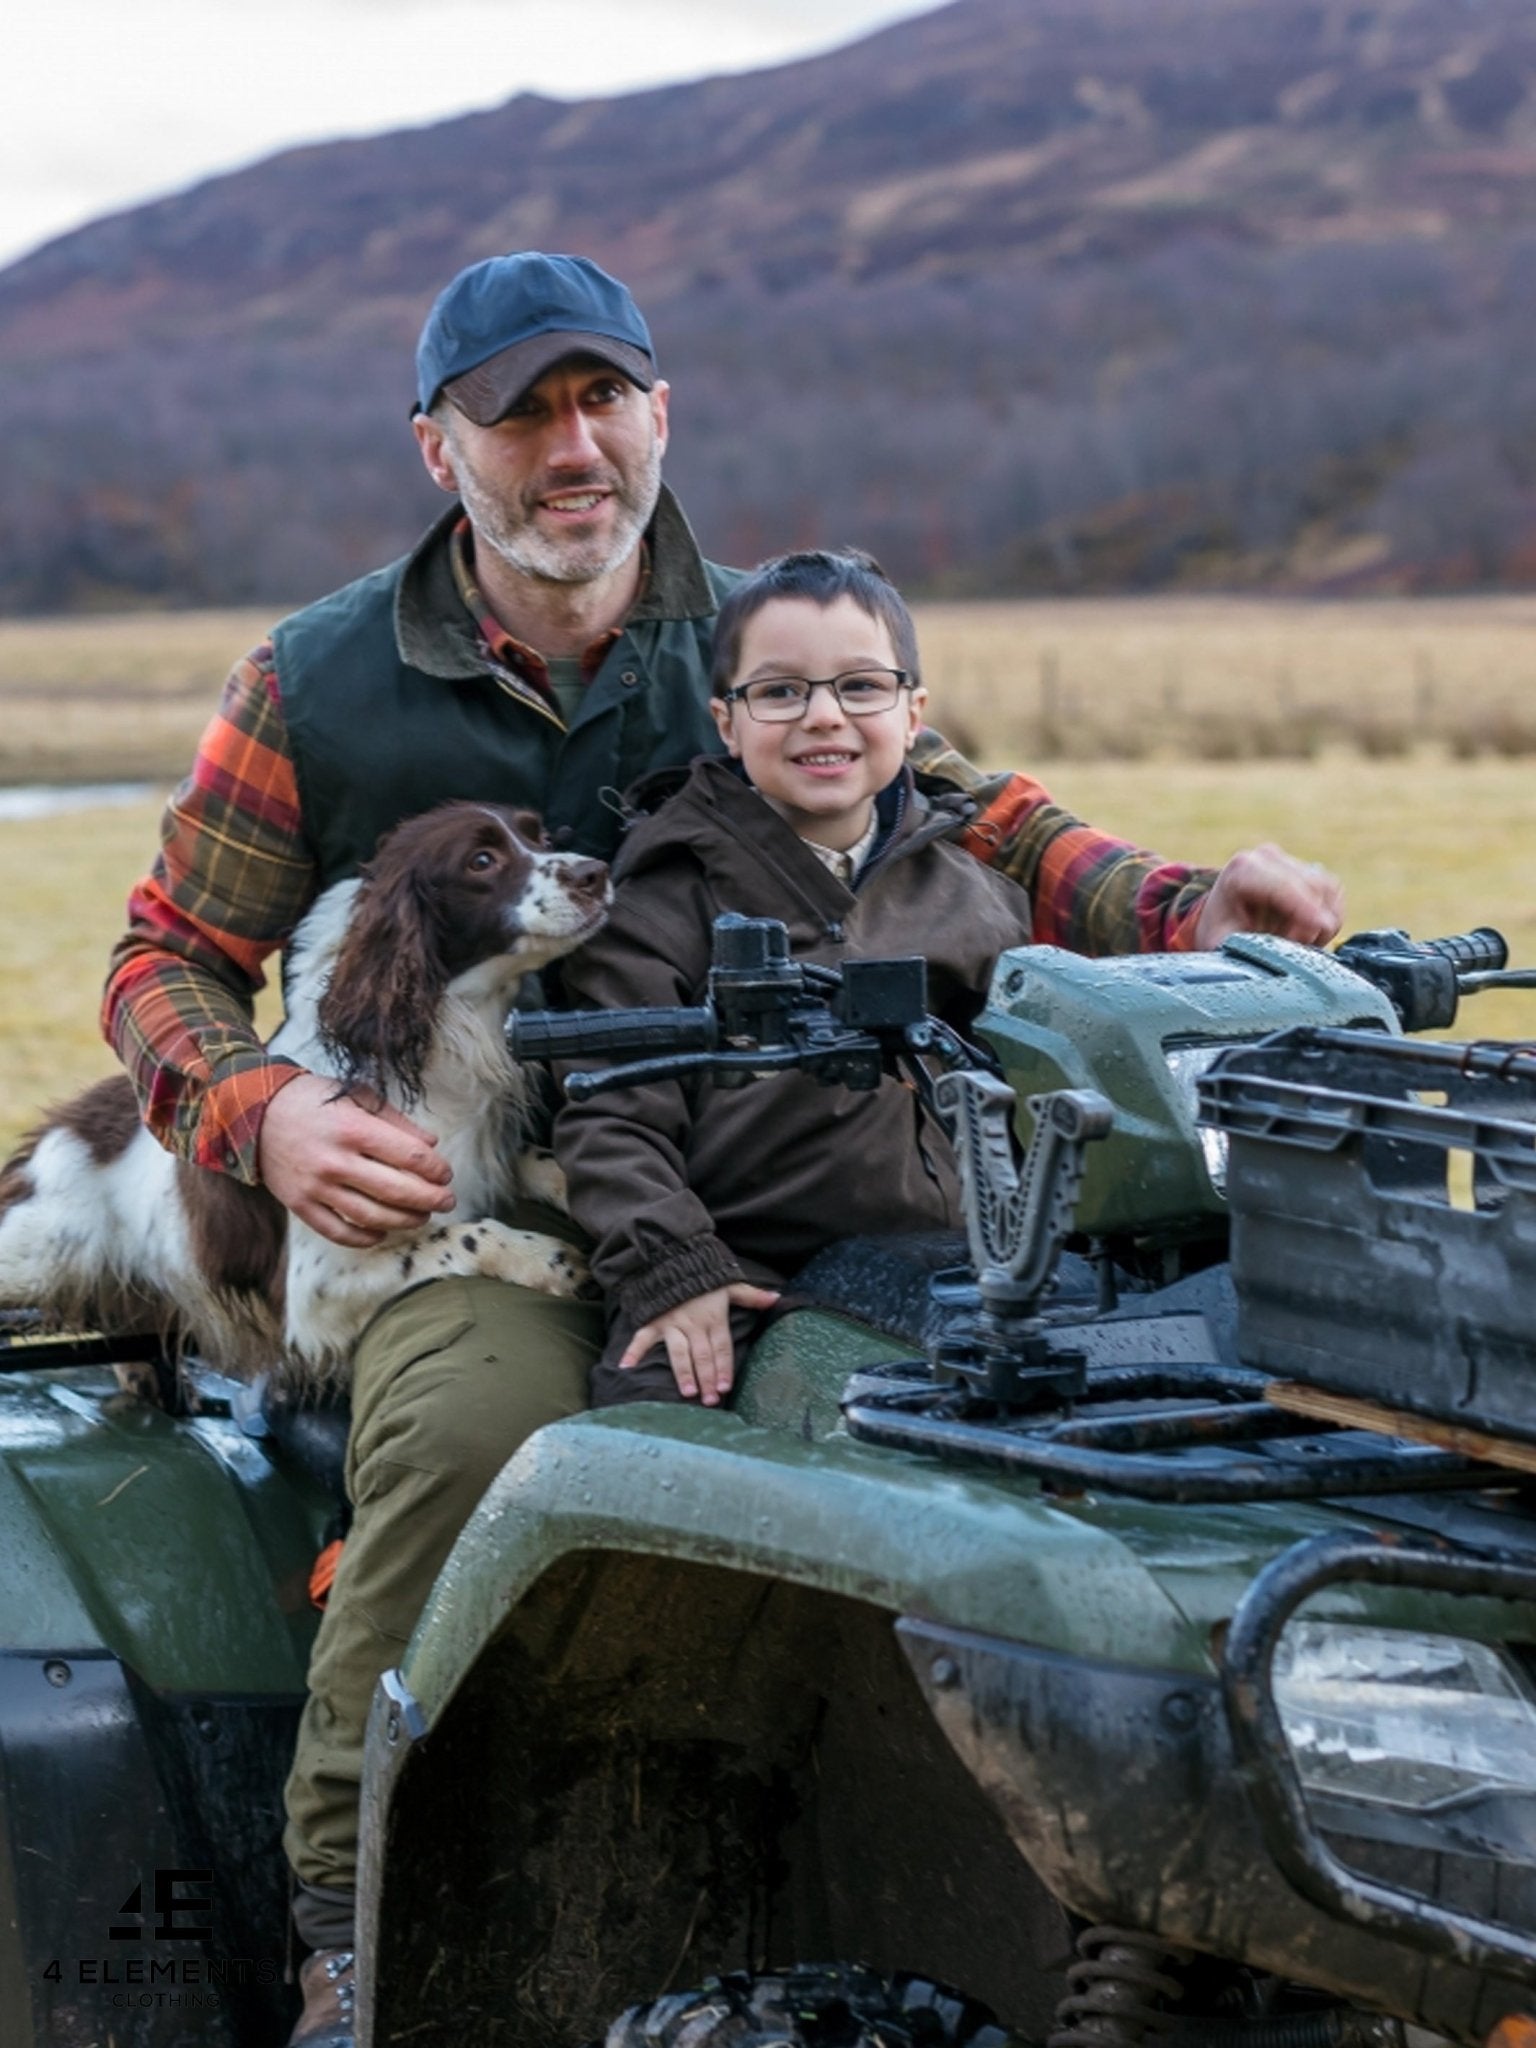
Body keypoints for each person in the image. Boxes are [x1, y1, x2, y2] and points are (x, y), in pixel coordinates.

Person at [100, 249, 1343, 2048]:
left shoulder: (755, 636)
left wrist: (1178, 903)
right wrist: (264, 1110)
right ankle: (347, 1911)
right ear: (438, 447)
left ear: (661, 416)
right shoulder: (316, 681)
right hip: (482, 1206)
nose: (571, 442)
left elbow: (974, 805)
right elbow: (164, 959)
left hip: (768, 1179)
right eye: (518, 410)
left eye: (602, 397)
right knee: (470, 1438)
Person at [555, 548, 1044, 1410]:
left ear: (912, 710)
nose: (824, 717)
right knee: (658, 1422)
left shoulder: (973, 896)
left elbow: (1037, 1078)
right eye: (780, 692)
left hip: (957, 1260)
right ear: (726, 722)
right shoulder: (663, 899)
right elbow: (609, 1118)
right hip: (744, 1264)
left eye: (860, 687)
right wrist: (675, 1270)